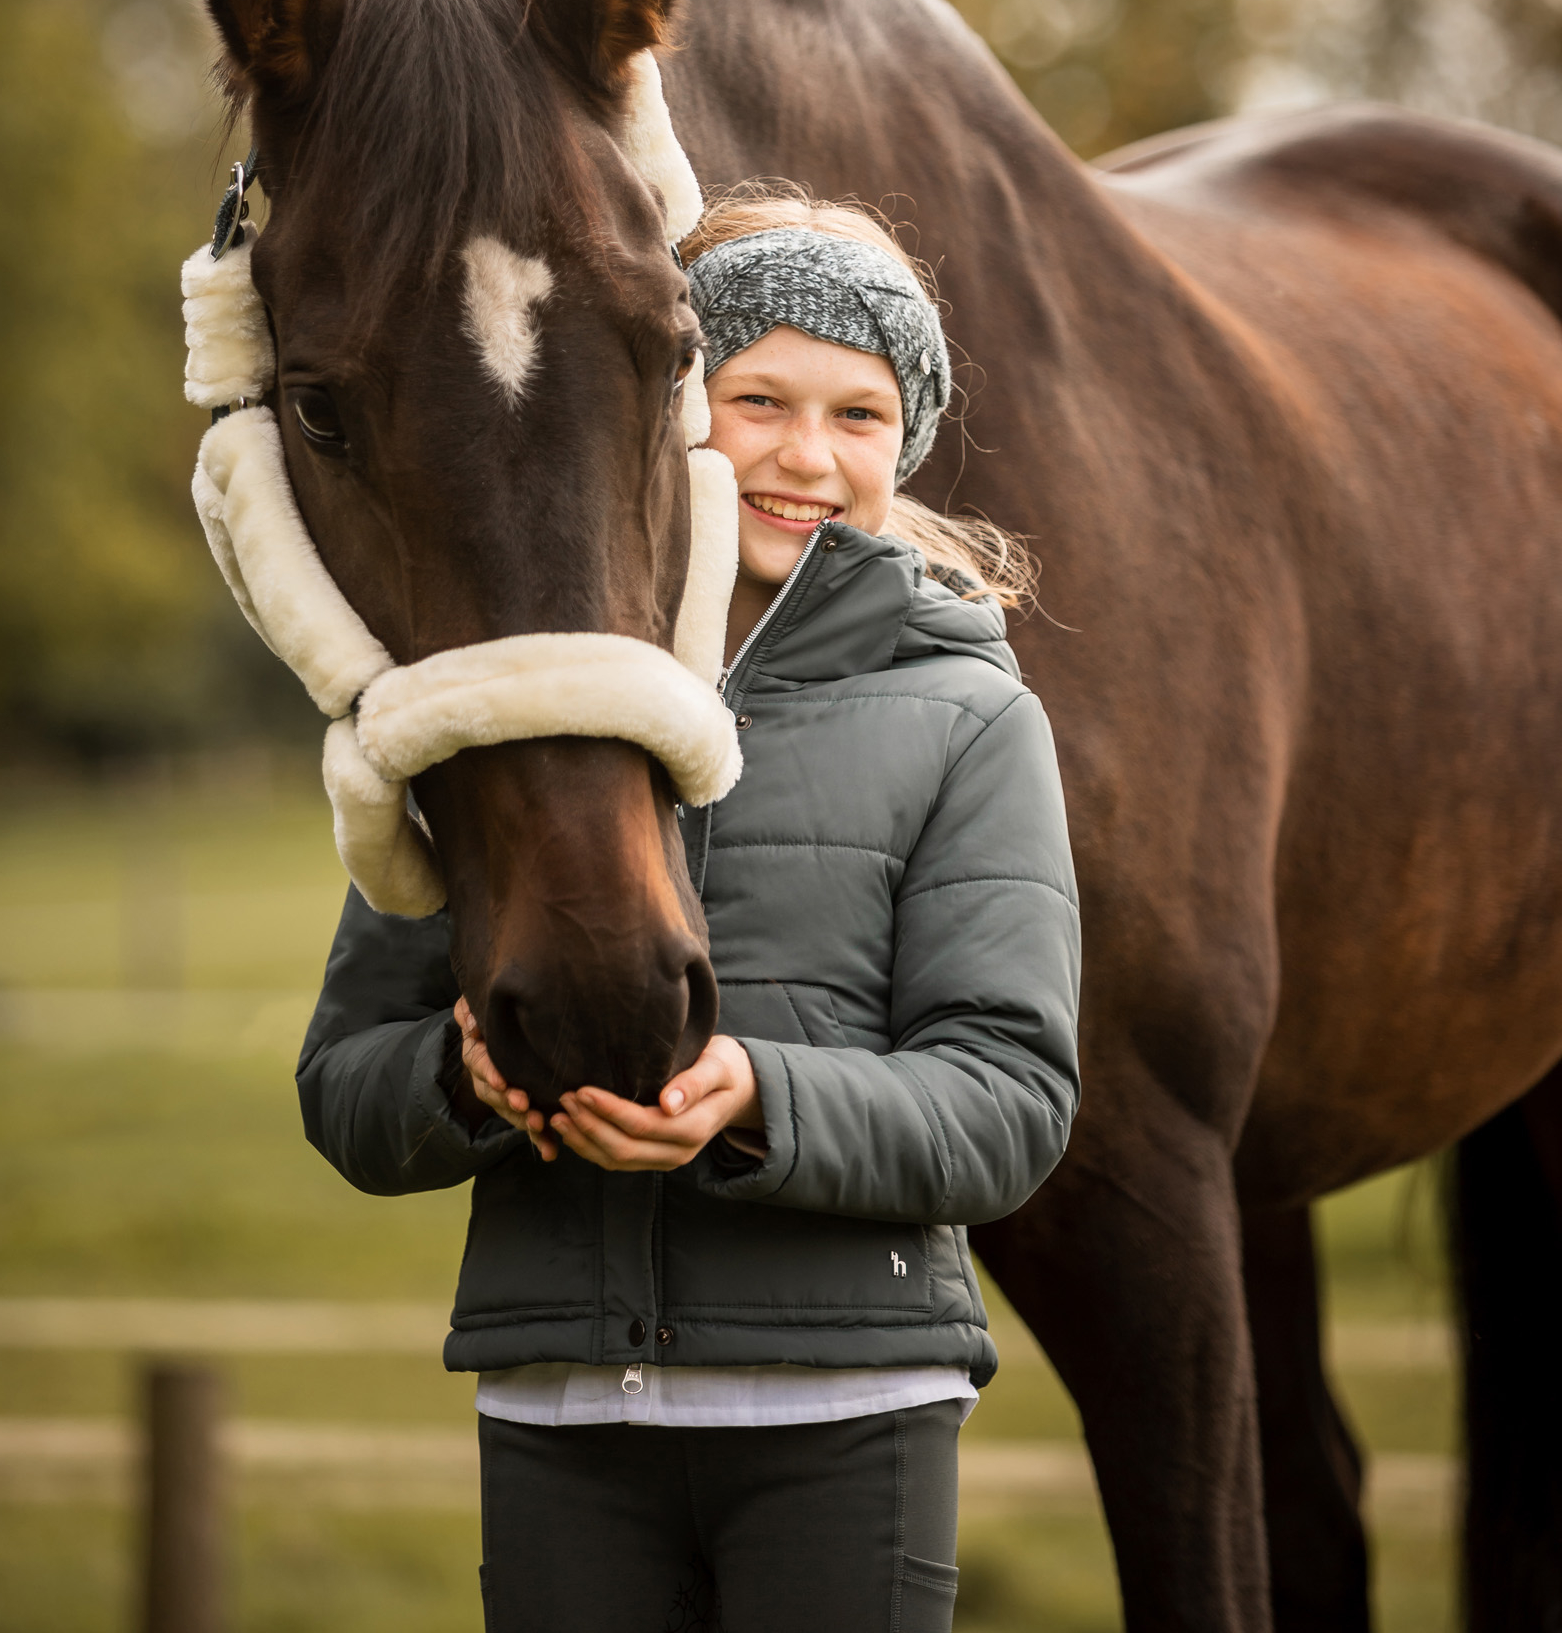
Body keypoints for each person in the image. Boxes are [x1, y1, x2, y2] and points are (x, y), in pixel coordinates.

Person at [297, 190, 1081, 1633]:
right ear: (666, 415)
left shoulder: (972, 718)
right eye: (760, 396)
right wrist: (461, 1081)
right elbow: (345, 1087)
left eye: (859, 413)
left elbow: (1011, 1102)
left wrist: (756, 1099)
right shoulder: (508, 691)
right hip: (562, 1417)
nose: (807, 454)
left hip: (853, 1418)